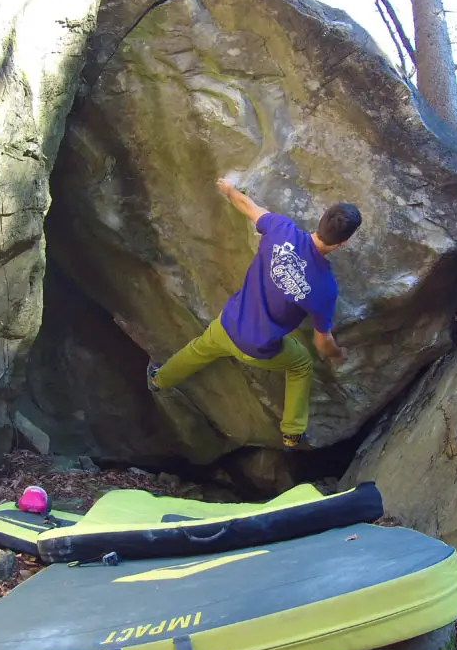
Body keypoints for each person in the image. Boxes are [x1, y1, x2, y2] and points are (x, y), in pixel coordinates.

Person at [147, 177, 362, 448]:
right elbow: (322, 342)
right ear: (342, 244)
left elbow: (248, 206)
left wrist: (228, 189)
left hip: (228, 325)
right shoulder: (325, 288)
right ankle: (292, 432)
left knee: (198, 349)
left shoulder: (281, 229)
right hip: (262, 349)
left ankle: (159, 379)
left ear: (321, 219)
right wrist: (337, 354)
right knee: (300, 365)